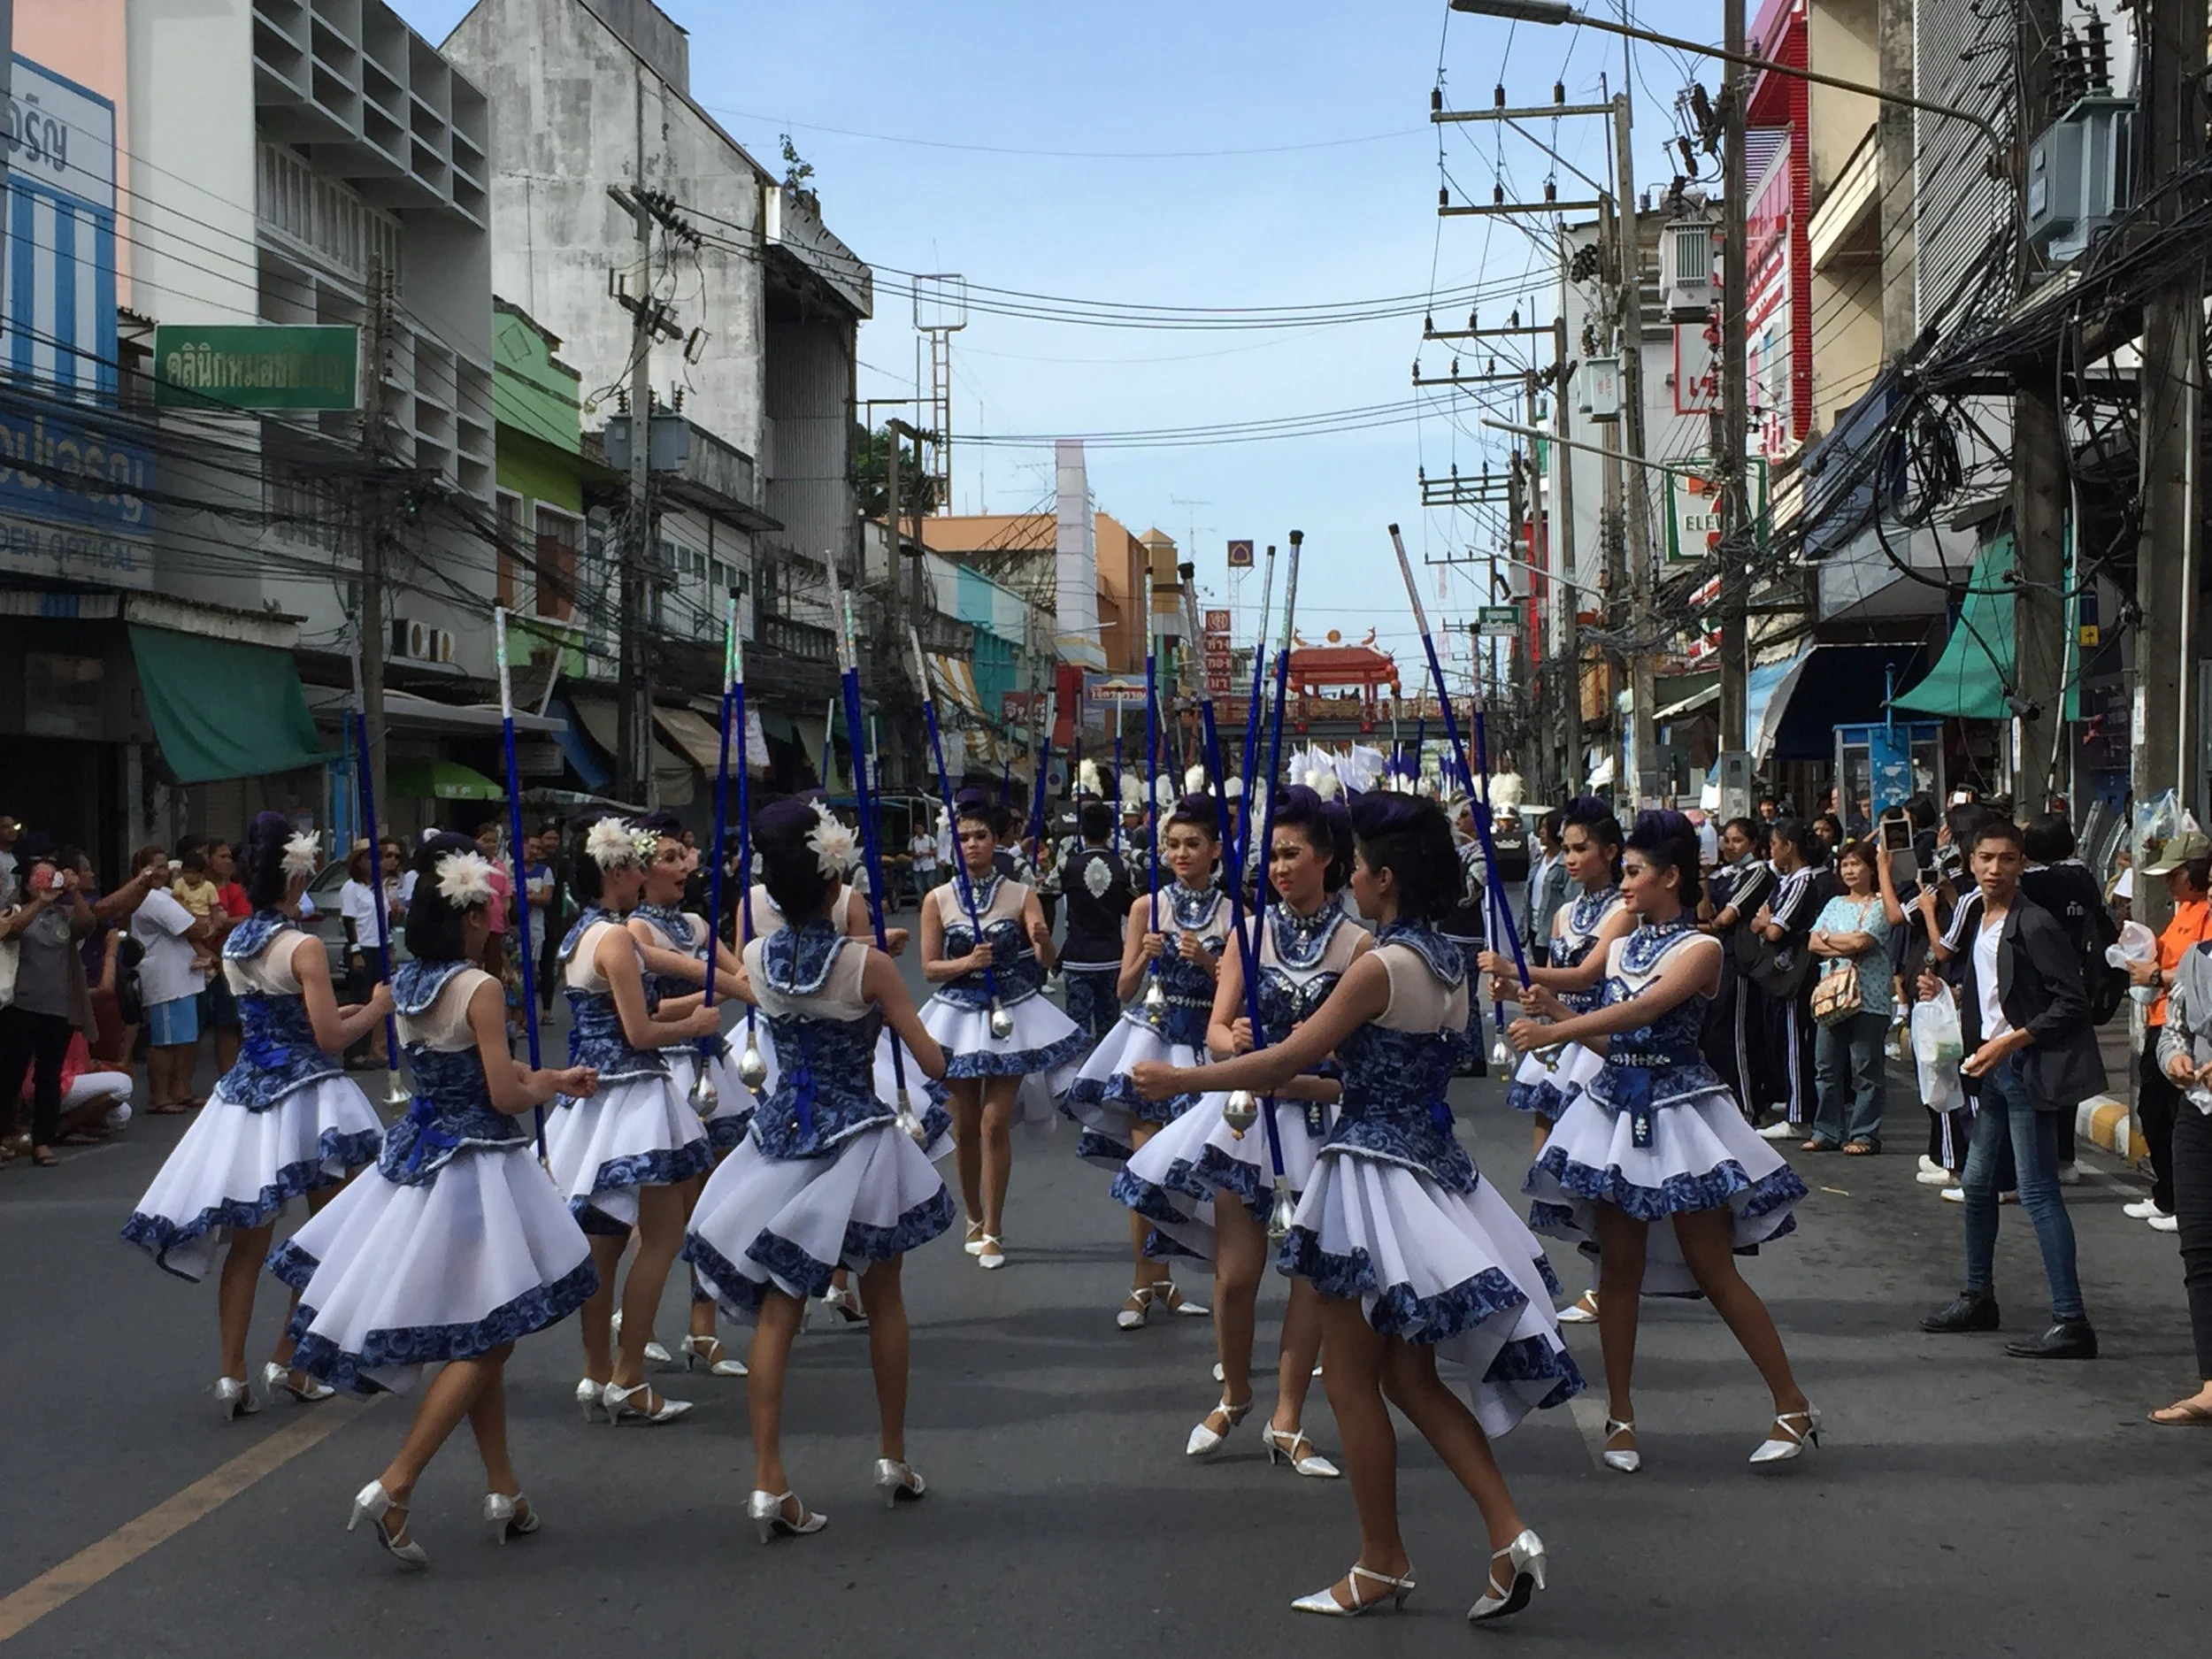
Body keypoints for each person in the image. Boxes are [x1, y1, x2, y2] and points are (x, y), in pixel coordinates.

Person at [1133, 792, 1579, 1623]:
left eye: (1363, 868)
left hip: (1370, 1178)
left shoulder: (1379, 965)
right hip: (1432, 1170)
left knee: (1349, 1380)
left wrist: (1180, 1079)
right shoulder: (1448, 964)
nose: (1355, 882)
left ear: (1383, 877)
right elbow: (1350, 1077)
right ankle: (1509, 1531)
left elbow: (1284, 1062)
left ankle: (1381, 1560)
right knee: (1408, 1375)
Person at [271, 833, 600, 1567]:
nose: (496, 921)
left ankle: (504, 1487)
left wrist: (552, 1080)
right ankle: (397, 1482)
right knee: (487, 1338)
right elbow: (500, 1091)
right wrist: (544, 1090)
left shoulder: (411, 981)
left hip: (421, 1155)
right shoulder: (479, 987)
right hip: (478, 1164)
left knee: (481, 1329)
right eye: (490, 911)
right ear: (471, 917)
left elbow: (479, 1069)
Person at [684, 798, 956, 1540]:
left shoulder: (756, 957)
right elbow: (931, 1061)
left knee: (782, 1309)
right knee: (885, 1299)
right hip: (859, 1141)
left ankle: (768, 1478)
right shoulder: (869, 965)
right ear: (837, 884)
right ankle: (892, 1454)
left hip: (778, 1137)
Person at [1513, 809, 1815, 1476]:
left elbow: (1646, 1011)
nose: (1623, 884)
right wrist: (1542, 1001)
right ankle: (1620, 1417)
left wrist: (1556, 1030)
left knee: (1714, 1268)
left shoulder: (1702, 949)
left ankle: (1792, 1403)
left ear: (1670, 877)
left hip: (1680, 1116)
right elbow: (1612, 1038)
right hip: (1617, 1112)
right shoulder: (1622, 946)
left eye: (1634, 872)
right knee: (1616, 1271)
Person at [1113, 787, 1358, 1477]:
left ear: (1326, 857)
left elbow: (1359, 1056)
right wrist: (1236, 1040)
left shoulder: (1358, 945)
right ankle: (1235, 1394)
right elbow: (1217, 1031)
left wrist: (1317, 1055)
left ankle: (1287, 1417)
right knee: (1235, 1277)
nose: (1279, 866)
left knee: (1310, 1279)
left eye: (1292, 852)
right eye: (1272, 854)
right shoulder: (1251, 935)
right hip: (1248, 1120)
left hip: (1320, 1122)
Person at [122, 818, 389, 1414]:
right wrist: (377, 1008)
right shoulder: (304, 946)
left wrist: (348, 1009)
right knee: (329, 1231)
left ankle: (232, 1373)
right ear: (295, 878)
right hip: (312, 1098)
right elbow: (328, 1038)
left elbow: (284, 1019)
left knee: (248, 1242)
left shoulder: (237, 941)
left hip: (248, 1095)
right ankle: (290, 1359)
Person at [542, 813, 722, 1425]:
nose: (643, 872)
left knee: (603, 1244)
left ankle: (597, 1372)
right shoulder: (616, 939)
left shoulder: (578, 935)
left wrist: (719, 986)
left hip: (592, 1102)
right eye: (636, 864)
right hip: (634, 1095)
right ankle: (629, 1376)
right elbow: (639, 1031)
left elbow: (650, 992)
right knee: (663, 1238)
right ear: (615, 871)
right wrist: (694, 1024)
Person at [1918, 818, 2106, 1358]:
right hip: (1994, 1069)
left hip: (2025, 1068)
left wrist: (2010, 1042)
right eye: (1985, 858)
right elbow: (1998, 991)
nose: (1995, 869)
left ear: (2022, 864)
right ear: (1970, 862)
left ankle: (2072, 1320)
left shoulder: (2035, 923)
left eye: (2006, 859)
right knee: (1978, 1184)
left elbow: (2070, 1003)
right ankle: (1978, 1297)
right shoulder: (1981, 916)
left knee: (2038, 1191)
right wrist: (1947, 994)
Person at [1065, 792, 1232, 1325]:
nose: (1181, 854)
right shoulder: (1146, 907)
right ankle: (1143, 1282)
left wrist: (1207, 962)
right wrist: (1143, 954)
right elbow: (1123, 988)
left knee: (1193, 1170)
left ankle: (1175, 1279)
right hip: (1150, 1040)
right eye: (1173, 845)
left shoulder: (1237, 914)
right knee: (1147, 1167)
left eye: (1192, 844)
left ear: (1215, 850)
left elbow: (1240, 995)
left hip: (1203, 1051)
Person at [918, 793, 1087, 1273]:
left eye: (980, 835)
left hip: (1010, 1015)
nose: (972, 844)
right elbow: (929, 968)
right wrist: (966, 963)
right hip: (957, 1016)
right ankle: (972, 1215)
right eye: (963, 837)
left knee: (994, 1122)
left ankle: (994, 1226)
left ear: (996, 840)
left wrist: (1043, 941)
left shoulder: (1020, 893)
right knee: (964, 1123)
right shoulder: (937, 899)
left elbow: (1047, 958)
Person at [627, 813, 755, 1378]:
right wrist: (707, 1000)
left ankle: (703, 1329)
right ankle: (638, 1323)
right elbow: (644, 1011)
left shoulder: (698, 925)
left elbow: (741, 977)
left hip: (712, 1069)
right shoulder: (634, 932)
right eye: (669, 857)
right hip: (669, 1071)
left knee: (712, 1204)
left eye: (684, 855)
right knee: (667, 1215)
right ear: (641, 869)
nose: (683, 865)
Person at [2123, 832, 2211, 1233]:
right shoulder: (2183, 911)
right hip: (2165, 1023)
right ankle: (2168, 1196)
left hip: (2191, 1031)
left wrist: (2157, 975)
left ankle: (2182, 1202)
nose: (2169, 883)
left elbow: (2201, 972)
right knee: (2154, 1112)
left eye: (2175, 875)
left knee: (2174, 1118)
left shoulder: (2205, 914)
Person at [1804, 838, 1907, 1154]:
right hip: (1831, 996)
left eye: (1856, 864)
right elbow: (1812, 943)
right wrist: (1841, 941)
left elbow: (1863, 942)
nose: (1849, 871)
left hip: (1869, 997)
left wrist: (1830, 938)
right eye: (1845, 865)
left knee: (1866, 1069)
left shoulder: (1879, 905)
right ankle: (1826, 1131)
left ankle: (1864, 1133)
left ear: (1871, 869)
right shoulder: (1835, 904)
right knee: (1826, 1067)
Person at [0, 853, 99, 1165]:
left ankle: (43, 1140)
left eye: (52, 875)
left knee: (49, 1075)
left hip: (57, 1007)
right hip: (20, 1005)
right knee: (9, 1074)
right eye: (40, 877)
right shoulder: (15, 912)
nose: (46, 882)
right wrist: (40, 902)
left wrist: (75, 891)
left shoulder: (65, 914)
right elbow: (13, 930)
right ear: (28, 883)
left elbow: (88, 925)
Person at [2152, 930, 2212, 1423]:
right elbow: (2174, 1029)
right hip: (2200, 1113)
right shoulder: (2197, 960)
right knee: (2200, 1248)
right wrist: (2174, 1058)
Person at [1747, 818, 1824, 1138]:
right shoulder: (1785, 881)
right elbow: (1758, 921)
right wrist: (1764, 923)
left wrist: (1766, 924)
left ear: (1789, 847)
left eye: (1774, 845)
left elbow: (1775, 929)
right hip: (1779, 970)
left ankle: (1799, 1115)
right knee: (1779, 1039)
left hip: (1794, 971)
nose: (1771, 851)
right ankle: (1794, 1100)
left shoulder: (1802, 882)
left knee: (1793, 1041)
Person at [131, 844, 218, 1116]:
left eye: (164, 866)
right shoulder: (150, 898)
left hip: (184, 977)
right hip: (166, 980)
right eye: (154, 867)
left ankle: (181, 1091)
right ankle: (158, 1096)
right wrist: (203, 923)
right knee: (165, 1043)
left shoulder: (167, 894)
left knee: (185, 1040)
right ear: (140, 870)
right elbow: (195, 927)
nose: (161, 872)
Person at [1056, 800, 1133, 1041]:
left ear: (1081, 831)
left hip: (1077, 955)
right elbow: (1131, 906)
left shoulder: (1066, 865)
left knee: (1076, 1028)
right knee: (1108, 1029)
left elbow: (1045, 894)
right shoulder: (1123, 865)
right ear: (1110, 832)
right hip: (1111, 955)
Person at [339, 842, 393, 1069]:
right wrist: (356, 951)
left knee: (378, 1000)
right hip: (362, 948)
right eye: (370, 859)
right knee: (360, 1000)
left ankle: (374, 1048)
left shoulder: (377, 888)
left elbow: (384, 919)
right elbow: (349, 921)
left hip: (379, 946)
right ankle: (354, 1053)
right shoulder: (351, 888)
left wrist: (389, 946)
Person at [1523, 810, 1568, 956]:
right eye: (1540, 827)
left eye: (1545, 827)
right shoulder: (1538, 860)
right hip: (1534, 929)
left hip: (1552, 933)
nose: (1541, 832)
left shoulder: (1566, 864)